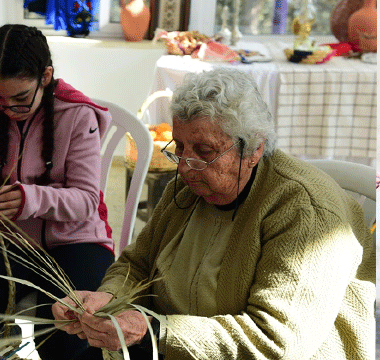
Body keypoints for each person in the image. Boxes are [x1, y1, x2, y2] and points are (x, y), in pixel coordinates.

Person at [51, 68, 376, 359]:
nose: (186, 165)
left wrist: (155, 330)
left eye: (204, 151)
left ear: (254, 148)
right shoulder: (189, 187)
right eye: (179, 146)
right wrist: (107, 298)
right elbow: (137, 264)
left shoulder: (303, 209)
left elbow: (276, 342)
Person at [0, 24, 116, 360]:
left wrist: (29, 199)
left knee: (61, 332)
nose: (9, 109)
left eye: (21, 98)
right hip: (14, 244)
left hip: (78, 243)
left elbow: (86, 201)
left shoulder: (79, 116)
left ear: (46, 76)